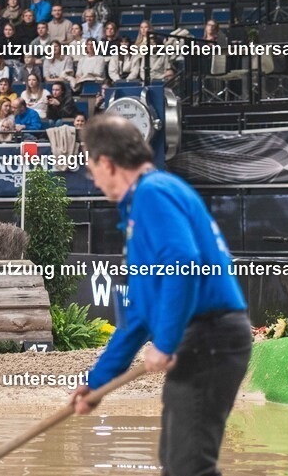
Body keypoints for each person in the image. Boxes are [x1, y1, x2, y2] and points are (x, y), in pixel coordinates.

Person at [71, 116, 250, 476]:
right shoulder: (146, 203)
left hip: (210, 339)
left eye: (91, 167)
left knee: (189, 467)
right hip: (200, 342)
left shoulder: (153, 193)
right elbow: (136, 318)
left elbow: (184, 262)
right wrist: (96, 383)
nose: (92, 178)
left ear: (107, 162)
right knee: (177, 464)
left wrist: (166, 342)